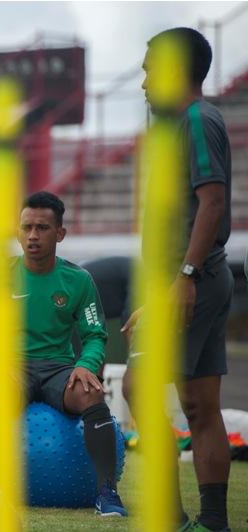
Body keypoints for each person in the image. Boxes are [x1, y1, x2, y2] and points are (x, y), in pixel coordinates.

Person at [121, 27, 233, 532]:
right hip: (194, 278)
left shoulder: (196, 120)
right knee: (200, 406)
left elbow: (212, 201)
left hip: (192, 279)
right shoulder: (179, 124)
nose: (144, 80)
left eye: (149, 68)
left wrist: (183, 277)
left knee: (137, 387)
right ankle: (213, 523)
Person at [0, 191, 128, 517]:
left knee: (91, 394)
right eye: (26, 227)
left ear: (60, 234)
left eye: (42, 228)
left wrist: (85, 365)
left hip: (59, 369)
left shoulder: (79, 280)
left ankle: (107, 494)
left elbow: (95, 334)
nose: (33, 236)